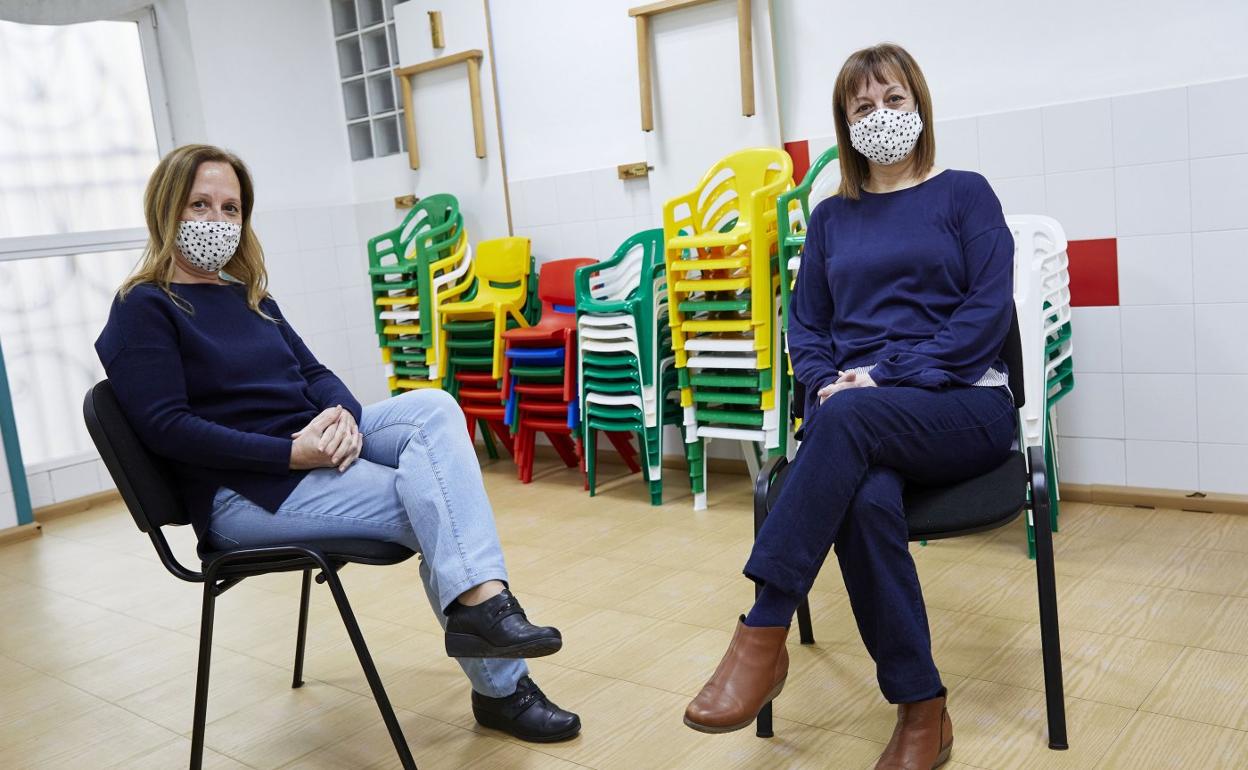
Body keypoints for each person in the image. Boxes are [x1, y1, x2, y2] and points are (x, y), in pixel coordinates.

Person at [95, 144, 580, 743]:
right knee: (429, 502)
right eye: (200, 204)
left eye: (230, 208)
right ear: (167, 208)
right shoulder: (142, 308)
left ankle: (484, 611)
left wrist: (342, 416)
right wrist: (290, 453)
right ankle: (502, 682)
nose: (217, 222)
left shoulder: (249, 296)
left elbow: (317, 374)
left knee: (433, 405)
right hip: (245, 491)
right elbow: (167, 428)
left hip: (310, 449)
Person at [683, 44, 1016, 770]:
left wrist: (886, 374)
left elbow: (986, 316)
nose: (881, 116)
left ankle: (762, 631)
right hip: (859, 418)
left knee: (847, 420)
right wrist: (829, 381)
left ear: (919, 106)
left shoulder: (967, 195)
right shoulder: (832, 217)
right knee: (862, 500)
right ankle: (922, 707)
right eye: (863, 106)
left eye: (893, 100)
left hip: (962, 404)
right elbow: (807, 328)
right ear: (845, 124)